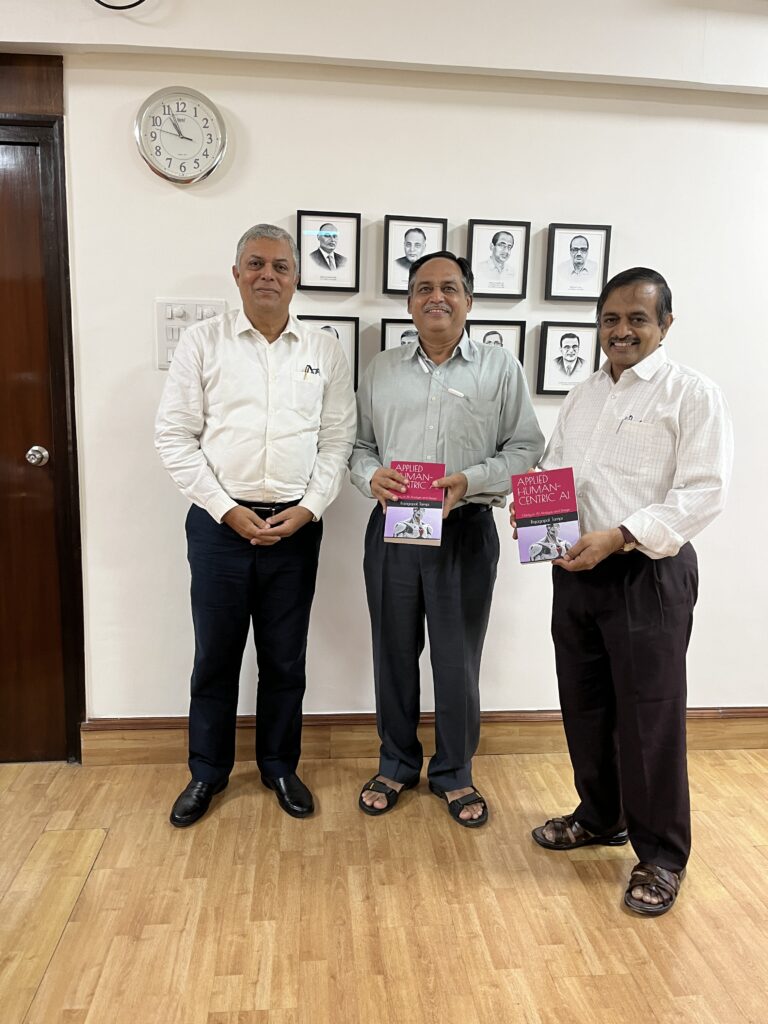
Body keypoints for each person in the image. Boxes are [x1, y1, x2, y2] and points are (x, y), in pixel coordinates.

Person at [519, 267, 733, 915]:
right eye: (611, 319)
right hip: (575, 571)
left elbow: (703, 492)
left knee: (649, 718)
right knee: (584, 706)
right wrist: (534, 509)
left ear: (665, 325)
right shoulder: (583, 395)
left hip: (648, 573)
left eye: (637, 319)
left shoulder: (692, 395)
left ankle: (662, 855)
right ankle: (600, 815)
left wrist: (621, 536)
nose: (621, 330)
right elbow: (554, 469)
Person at [155, 223, 356, 827]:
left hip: (296, 528)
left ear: (296, 277)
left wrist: (310, 507)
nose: (268, 275)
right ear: (236, 273)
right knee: (215, 657)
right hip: (220, 526)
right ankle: (207, 773)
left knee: (284, 659)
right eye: (256, 264)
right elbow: (175, 437)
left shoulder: (324, 350)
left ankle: (278, 766)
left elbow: (337, 438)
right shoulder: (203, 343)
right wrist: (226, 509)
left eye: (280, 266)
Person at [351, 251, 544, 827]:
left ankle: (455, 772)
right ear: (409, 301)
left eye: (449, 287)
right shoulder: (380, 369)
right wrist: (370, 477)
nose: (436, 297)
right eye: (423, 288)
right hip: (394, 527)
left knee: (458, 660)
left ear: (468, 299)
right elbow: (358, 448)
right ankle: (397, 762)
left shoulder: (499, 368)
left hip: (465, 531)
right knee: (392, 651)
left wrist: (471, 481)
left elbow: (527, 449)